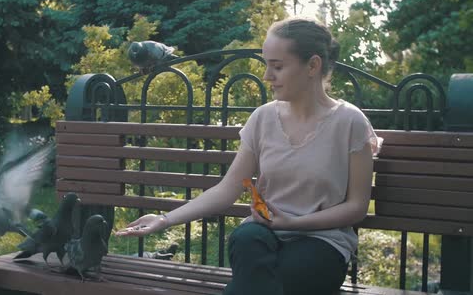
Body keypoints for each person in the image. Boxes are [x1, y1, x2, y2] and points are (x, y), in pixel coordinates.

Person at [115, 17, 382, 295]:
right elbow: (228, 188)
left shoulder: (350, 122)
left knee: (288, 271)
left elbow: (357, 207)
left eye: (277, 66)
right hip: (265, 236)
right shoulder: (263, 118)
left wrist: (295, 223)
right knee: (246, 238)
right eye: (266, 64)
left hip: (322, 242)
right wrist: (165, 219)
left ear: (313, 66)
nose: (267, 76)